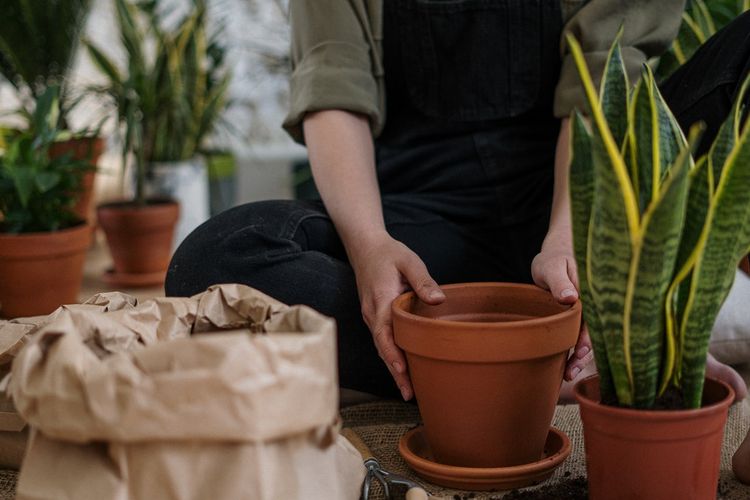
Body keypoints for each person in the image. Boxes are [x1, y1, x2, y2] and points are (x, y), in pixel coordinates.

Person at [165, 1, 748, 405]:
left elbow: (605, 81)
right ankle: (546, 363)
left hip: (583, 198)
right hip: (414, 231)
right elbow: (333, 85)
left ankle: (493, 357)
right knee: (213, 260)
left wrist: (571, 239)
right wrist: (370, 245)